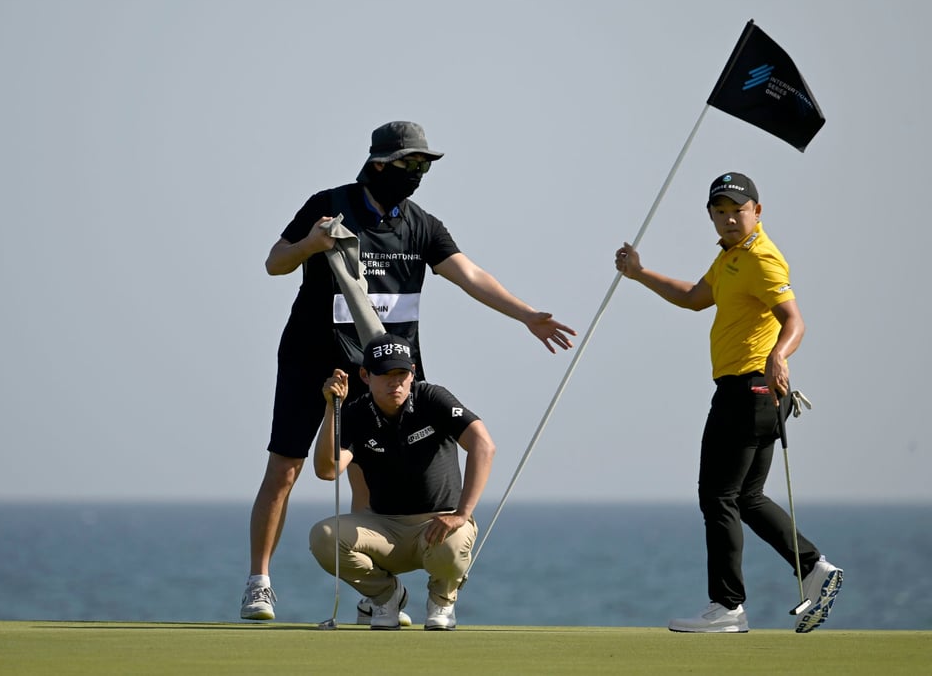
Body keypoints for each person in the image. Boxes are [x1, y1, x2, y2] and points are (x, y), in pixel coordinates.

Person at [242, 121, 575, 621]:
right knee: (286, 467)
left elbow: (470, 275)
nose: (417, 173)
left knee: (367, 471)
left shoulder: (421, 224)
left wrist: (526, 314)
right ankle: (259, 582)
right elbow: (274, 262)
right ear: (379, 163)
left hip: (385, 366)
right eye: (408, 164)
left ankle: (377, 592)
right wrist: (310, 244)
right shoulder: (329, 204)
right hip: (311, 356)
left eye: (424, 166)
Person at [614, 172, 843, 633]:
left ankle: (727, 607)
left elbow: (794, 320)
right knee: (748, 497)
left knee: (717, 496)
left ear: (757, 211)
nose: (728, 219)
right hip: (754, 393)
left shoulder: (761, 259)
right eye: (719, 212)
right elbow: (696, 298)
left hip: (749, 389)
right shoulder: (731, 258)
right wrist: (639, 273)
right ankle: (816, 568)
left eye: (737, 210)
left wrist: (779, 354)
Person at [309, 333, 495, 630]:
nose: (394, 382)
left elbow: (483, 445)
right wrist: (333, 409)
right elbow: (328, 470)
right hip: (384, 529)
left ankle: (441, 602)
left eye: (401, 373)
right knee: (323, 536)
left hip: (438, 523)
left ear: (412, 373)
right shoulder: (356, 413)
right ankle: (386, 596)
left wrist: (461, 515)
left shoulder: (432, 399)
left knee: (453, 543)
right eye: (384, 374)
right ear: (365, 376)